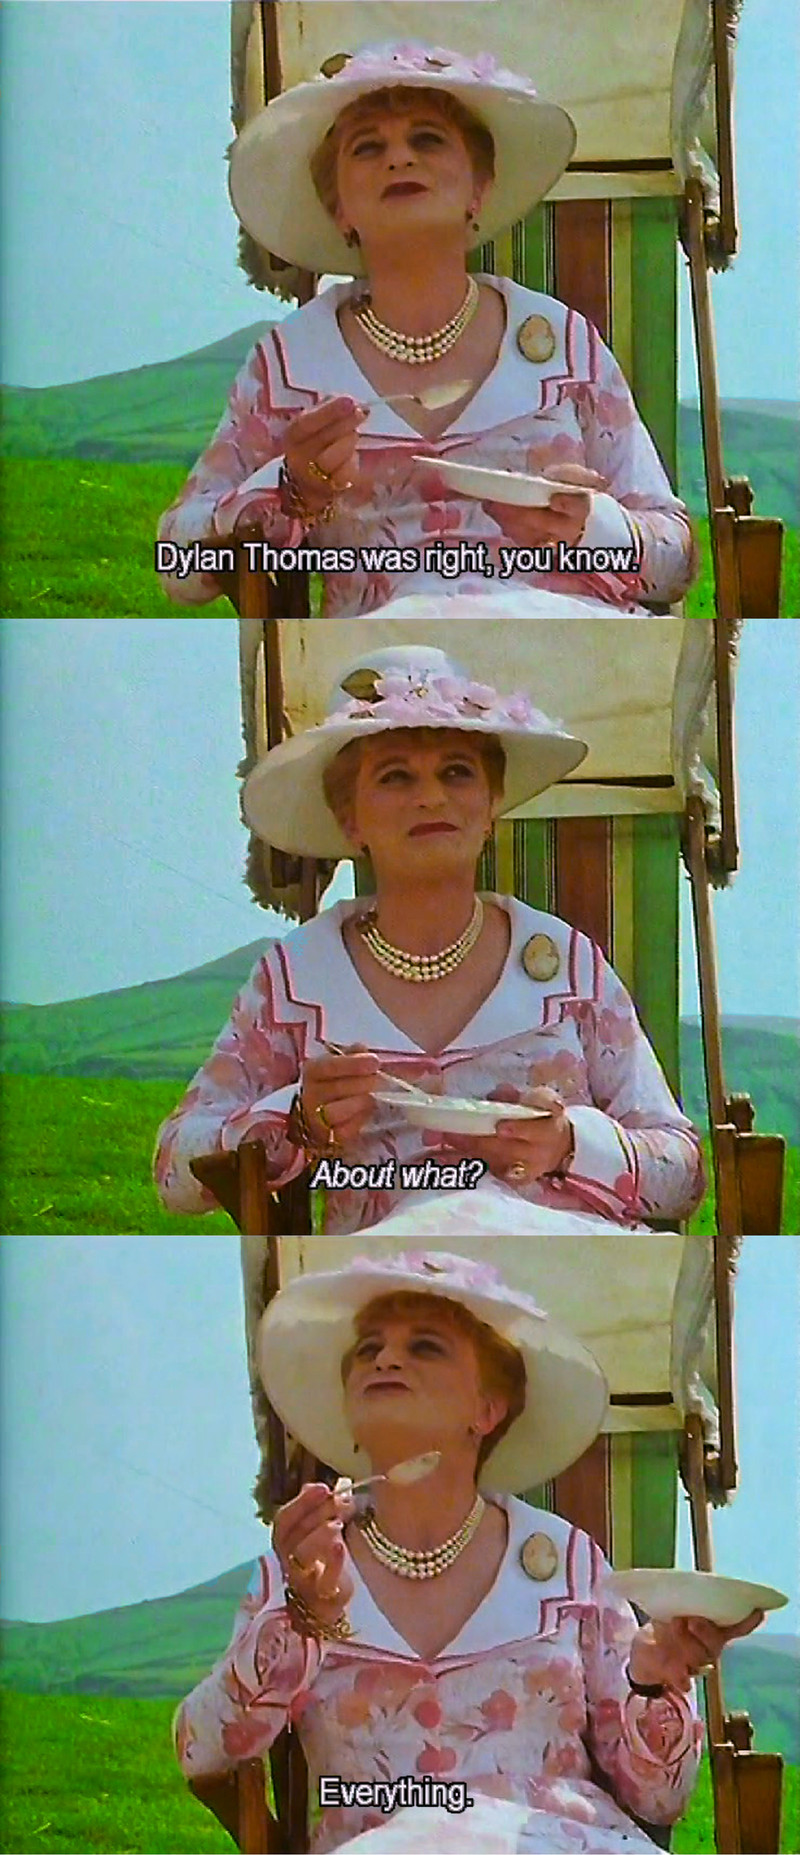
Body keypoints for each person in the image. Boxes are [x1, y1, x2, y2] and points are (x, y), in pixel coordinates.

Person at [174, 1250, 764, 1853]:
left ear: (487, 1410)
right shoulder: (300, 1566)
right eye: (368, 1349)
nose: (385, 1358)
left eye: (425, 1347)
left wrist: (653, 1682)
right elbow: (202, 1753)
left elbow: (660, 1801)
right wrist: (301, 1617)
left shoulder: (567, 1565)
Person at [153, 643, 704, 1237]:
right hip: (392, 1278)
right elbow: (175, 1173)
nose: (432, 797)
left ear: (491, 806)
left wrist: (570, 1143)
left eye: (456, 772)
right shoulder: (299, 977)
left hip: (561, 1265)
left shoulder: (564, 965)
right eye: (395, 776)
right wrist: (295, 1121)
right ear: (349, 818)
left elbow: (684, 1175)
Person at [157, 41, 695, 617]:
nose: (399, 158)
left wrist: (590, 524)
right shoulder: (292, 364)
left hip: (562, 643)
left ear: (478, 190)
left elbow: (678, 565)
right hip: (389, 654)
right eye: (368, 147)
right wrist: (287, 489)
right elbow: (177, 567)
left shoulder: (560, 344)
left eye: (428, 140)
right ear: (339, 209)